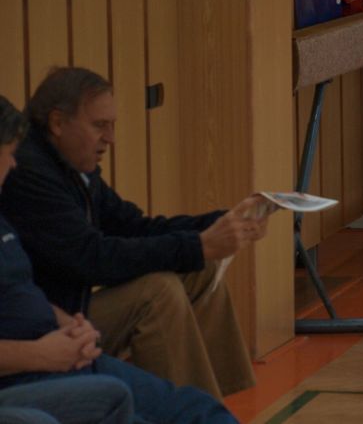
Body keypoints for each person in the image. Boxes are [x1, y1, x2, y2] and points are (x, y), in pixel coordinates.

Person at [0, 68, 267, 400]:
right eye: (99, 125)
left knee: (201, 270)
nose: (110, 138)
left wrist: (220, 222)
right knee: (156, 292)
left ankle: (217, 402)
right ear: (57, 122)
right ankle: (189, 412)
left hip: (73, 310)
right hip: (55, 324)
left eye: (112, 125)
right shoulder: (29, 174)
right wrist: (198, 245)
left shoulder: (71, 166)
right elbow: (92, 258)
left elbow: (133, 226)